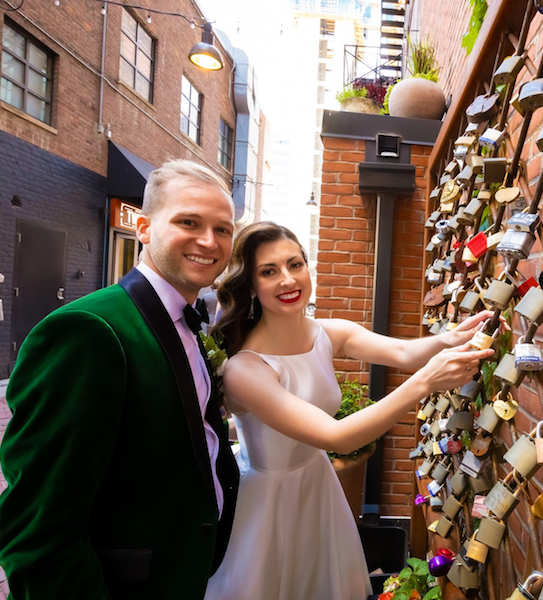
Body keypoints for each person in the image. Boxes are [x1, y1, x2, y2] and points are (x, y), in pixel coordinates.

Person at [203, 222, 495, 600]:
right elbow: (337, 437)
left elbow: (404, 353)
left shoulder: (328, 333)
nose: (288, 280)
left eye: (295, 264)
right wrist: (424, 383)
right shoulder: (245, 368)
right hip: (267, 503)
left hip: (318, 485)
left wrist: (450, 339)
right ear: (251, 286)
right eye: (269, 271)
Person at [0, 159, 241, 599]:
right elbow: (38, 530)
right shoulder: (88, 331)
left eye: (223, 229)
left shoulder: (185, 322)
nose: (210, 241)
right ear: (143, 228)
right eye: (189, 222)